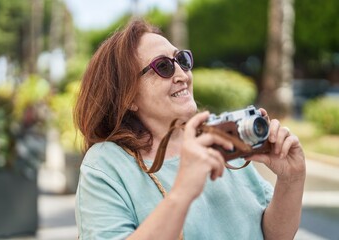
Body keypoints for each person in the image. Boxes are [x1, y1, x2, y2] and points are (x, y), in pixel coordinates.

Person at [74, 18, 306, 240]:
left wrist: (292, 179)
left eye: (182, 60)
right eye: (163, 66)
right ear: (127, 97)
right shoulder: (106, 165)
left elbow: (273, 236)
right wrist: (183, 192)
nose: (181, 74)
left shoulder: (220, 137)